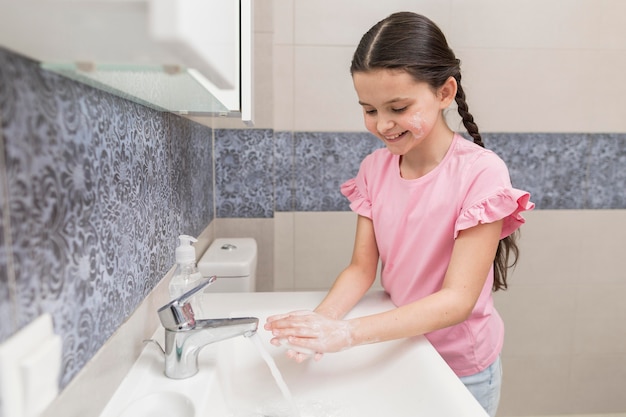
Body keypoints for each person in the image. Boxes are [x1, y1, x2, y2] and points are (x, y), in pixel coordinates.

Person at [264, 11, 534, 417]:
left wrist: (346, 333)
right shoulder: (374, 169)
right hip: (402, 347)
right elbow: (360, 267)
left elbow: (457, 301)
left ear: (445, 92)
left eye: (398, 107)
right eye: (370, 110)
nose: (383, 124)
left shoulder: (481, 172)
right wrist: (320, 323)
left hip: (461, 366)